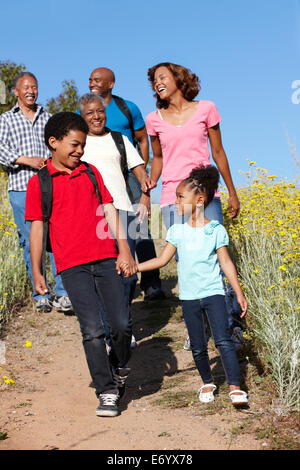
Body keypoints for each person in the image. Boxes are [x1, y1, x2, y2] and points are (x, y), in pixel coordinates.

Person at [25, 111, 136, 417]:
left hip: (106, 258)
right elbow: (37, 228)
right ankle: (107, 391)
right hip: (71, 266)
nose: (79, 151)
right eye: (74, 144)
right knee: (92, 330)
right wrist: (37, 271)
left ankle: (120, 365)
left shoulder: (91, 173)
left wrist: (124, 250)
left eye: (83, 145)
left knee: (122, 326)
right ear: (54, 143)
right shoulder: (40, 183)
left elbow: (110, 210)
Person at [132, 165, 248, 406]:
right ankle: (207, 381)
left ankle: (235, 386)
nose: (175, 202)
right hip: (189, 297)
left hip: (214, 293)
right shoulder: (177, 231)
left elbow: (225, 262)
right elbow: (162, 260)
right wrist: (136, 268)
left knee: (223, 340)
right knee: (197, 345)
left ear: (199, 200)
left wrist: (238, 291)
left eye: (180, 197)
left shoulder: (215, 230)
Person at [146, 62, 243, 346]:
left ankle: (229, 325)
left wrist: (232, 192)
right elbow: (158, 159)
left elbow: (218, 151)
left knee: (214, 256)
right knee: (185, 260)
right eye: (154, 80)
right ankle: (197, 325)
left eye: (162, 77)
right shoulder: (154, 119)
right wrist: (148, 184)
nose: (157, 83)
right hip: (171, 197)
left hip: (205, 194)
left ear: (178, 79)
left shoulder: (206, 109)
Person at [78, 92, 155, 348]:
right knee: (102, 274)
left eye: (99, 111)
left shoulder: (120, 139)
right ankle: (111, 330)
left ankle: (122, 323)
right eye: (90, 113)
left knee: (129, 275)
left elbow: (139, 169)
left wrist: (145, 191)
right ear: (82, 116)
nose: (96, 116)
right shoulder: (78, 143)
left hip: (124, 209)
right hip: (93, 215)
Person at [88, 67, 164, 300]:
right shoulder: (86, 110)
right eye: (90, 79)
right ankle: (117, 280)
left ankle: (151, 283)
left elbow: (142, 138)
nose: (92, 83)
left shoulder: (127, 108)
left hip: (129, 173)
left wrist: (140, 170)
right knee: (108, 229)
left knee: (139, 226)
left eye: (97, 80)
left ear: (110, 84)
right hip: (102, 175)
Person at [0, 72, 73, 313]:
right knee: (30, 240)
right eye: (26, 87)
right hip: (21, 186)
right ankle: (41, 293)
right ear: (16, 92)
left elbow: (60, 145)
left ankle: (63, 293)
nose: (31, 90)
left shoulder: (48, 117)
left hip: (50, 186)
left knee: (57, 238)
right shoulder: (6, 120)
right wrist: (26, 160)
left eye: (34, 86)